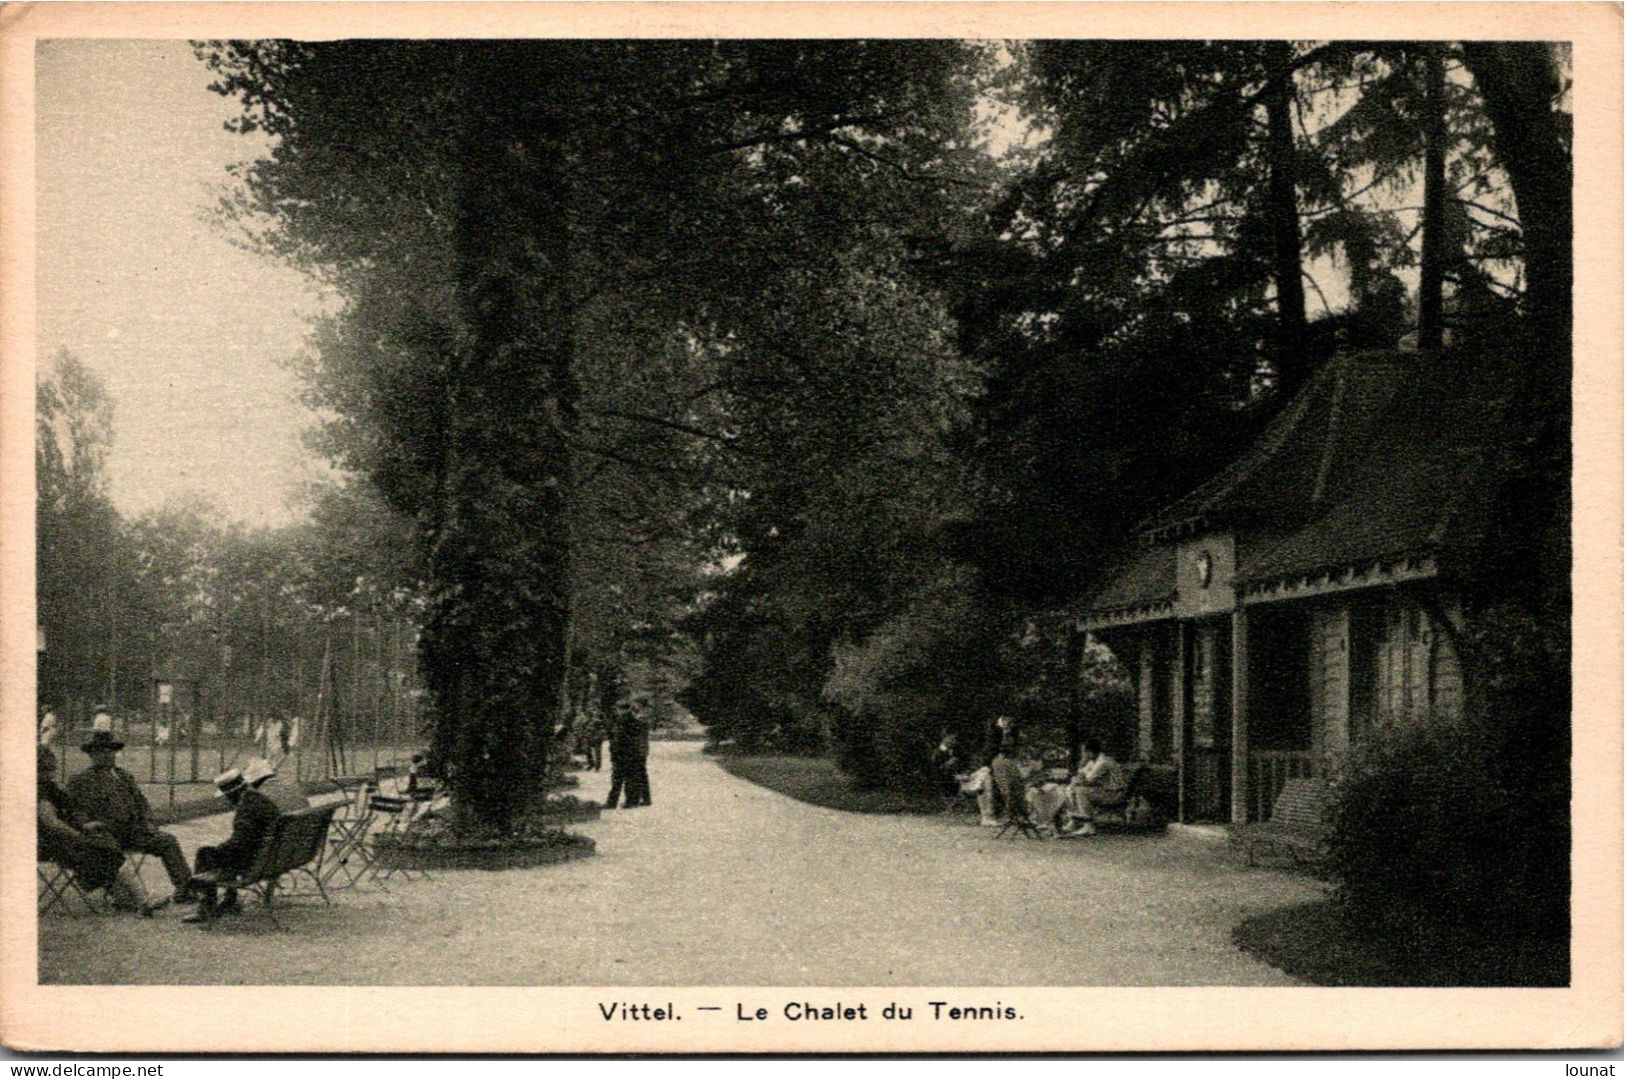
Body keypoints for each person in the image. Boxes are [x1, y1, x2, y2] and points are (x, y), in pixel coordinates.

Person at [66, 720, 193, 902]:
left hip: (133, 831)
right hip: (105, 833)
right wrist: (85, 824)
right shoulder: (81, 780)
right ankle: (126, 896)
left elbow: (142, 804)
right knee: (106, 852)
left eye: (110, 751)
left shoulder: (124, 776)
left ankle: (185, 889)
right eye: (101, 751)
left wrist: (149, 823)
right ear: (92, 755)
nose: (107, 755)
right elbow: (74, 809)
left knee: (167, 841)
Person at [37, 745, 162, 915]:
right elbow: (51, 822)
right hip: (50, 844)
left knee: (105, 844)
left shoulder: (48, 786)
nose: (50, 773)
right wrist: (78, 834)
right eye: (45, 769)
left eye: (52, 768)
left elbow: (65, 816)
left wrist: (84, 826)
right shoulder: (39, 790)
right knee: (104, 849)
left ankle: (129, 899)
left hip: (62, 839)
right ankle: (140, 900)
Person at [182, 768, 281, 923]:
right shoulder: (259, 799)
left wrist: (218, 850)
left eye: (227, 796)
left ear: (233, 793)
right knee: (217, 852)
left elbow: (239, 843)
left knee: (205, 853)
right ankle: (229, 900)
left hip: (255, 862)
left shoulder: (246, 807)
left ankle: (206, 908)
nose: (228, 800)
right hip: (271, 856)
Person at [1059, 738, 1129, 837]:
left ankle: (1088, 826)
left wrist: (1077, 780)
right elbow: (1080, 775)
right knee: (1072, 789)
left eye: (1084, 752)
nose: (1082, 754)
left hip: (1115, 794)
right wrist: (1076, 781)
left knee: (1081, 791)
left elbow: (1088, 780)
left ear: (1090, 752)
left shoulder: (1103, 762)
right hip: (1104, 791)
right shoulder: (1093, 761)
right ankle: (1076, 820)